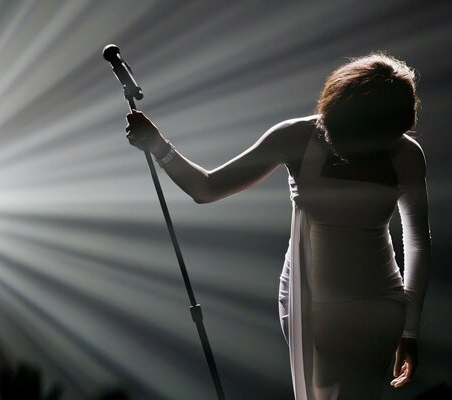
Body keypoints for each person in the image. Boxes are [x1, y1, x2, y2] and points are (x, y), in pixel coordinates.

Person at [124, 52, 431, 400]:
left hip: (377, 304)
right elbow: (207, 188)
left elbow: (418, 240)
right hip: (306, 302)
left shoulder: (405, 154)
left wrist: (409, 331)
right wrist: (159, 146)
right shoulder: (295, 136)